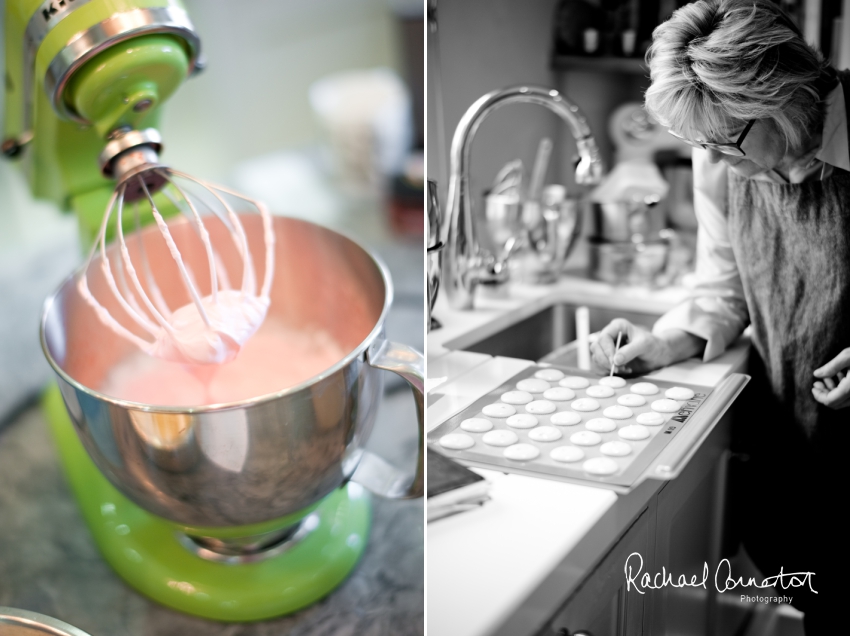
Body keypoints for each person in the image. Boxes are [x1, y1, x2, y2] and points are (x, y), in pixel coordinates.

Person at [589, 0, 847, 632]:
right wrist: (669, 340)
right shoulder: (720, 152)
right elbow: (723, 284)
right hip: (798, 424)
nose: (711, 155)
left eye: (725, 139)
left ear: (783, 100)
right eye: (698, 142)